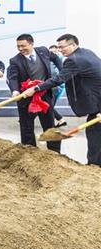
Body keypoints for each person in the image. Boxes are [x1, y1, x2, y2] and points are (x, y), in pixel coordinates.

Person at [22, 34, 101, 166]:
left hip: (98, 102)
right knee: (95, 132)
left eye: (62, 47)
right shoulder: (87, 53)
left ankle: (94, 166)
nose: (60, 50)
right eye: (58, 47)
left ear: (73, 45)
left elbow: (59, 79)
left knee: (94, 134)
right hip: (97, 101)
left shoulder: (74, 60)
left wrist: (36, 88)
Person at [7, 33, 62, 153]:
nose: (20, 49)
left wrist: (62, 70)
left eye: (23, 46)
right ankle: (30, 153)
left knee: (49, 125)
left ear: (31, 44)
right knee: (26, 127)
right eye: (18, 46)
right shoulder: (15, 60)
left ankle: (55, 152)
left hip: (44, 95)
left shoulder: (43, 51)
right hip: (26, 97)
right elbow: (13, 78)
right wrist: (15, 90)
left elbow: (55, 58)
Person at [49, 44, 67, 127]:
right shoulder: (54, 62)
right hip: (57, 86)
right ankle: (60, 120)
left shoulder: (59, 61)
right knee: (49, 105)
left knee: (49, 106)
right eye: (51, 52)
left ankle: (59, 120)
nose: (52, 54)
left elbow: (55, 75)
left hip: (57, 87)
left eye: (54, 52)